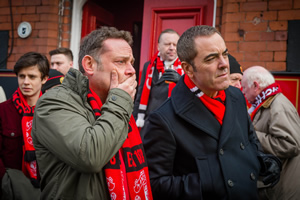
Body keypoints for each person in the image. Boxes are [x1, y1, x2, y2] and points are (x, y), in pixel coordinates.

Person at [142, 25, 281, 199]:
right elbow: (154, 184)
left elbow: (249, 140)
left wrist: (262, 161)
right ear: (188, 69)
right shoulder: (163, 119)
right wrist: (212, 180)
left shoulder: (236, 96)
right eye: (211, 59)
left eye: (225, 53)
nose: (224, 64)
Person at [32, 26, 153, 200]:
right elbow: (90, 156)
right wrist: (120, 100)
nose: (131, 70)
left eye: (131, 62)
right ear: (90, 65)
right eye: (121, 61)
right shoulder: (54, 102)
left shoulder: (115, 102)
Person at [241, 66, 300, 200]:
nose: (243, 92)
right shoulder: (266, 103)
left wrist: (253, 135)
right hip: (275, 186)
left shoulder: (277, 106)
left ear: (256, 86)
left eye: (244, 88)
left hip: (281, 190)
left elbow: (291, 145)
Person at [0, 52, 49, 198]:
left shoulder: (52, 112)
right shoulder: (2, 111)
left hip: (46, 188)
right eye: (22, 76)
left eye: (32, 77)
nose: (25, 82)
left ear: (44, 79)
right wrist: (7, 183)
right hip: (10, 190)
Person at [133, 29, 183, 136]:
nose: (172, 48)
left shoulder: (186, 67)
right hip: (149, 124)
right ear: (158, 46)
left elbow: (194, 94)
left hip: (174, 125)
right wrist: (134, 120)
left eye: (175, 44)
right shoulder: (149, 66)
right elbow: (140, 95)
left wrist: (181, 81)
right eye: (167, 44)